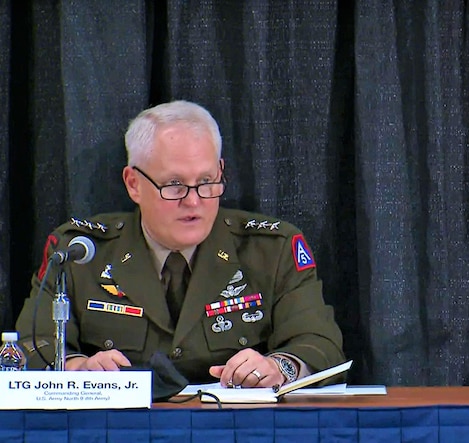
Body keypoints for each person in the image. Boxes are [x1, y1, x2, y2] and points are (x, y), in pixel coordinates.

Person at [16, 100, 345, 389]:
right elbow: (33, 345)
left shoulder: (271, 250)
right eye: (174, 185)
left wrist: (280, 368)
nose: (193, 202)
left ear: (220, 172)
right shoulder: (80, 252)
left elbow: (321, 345)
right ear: (133, 184)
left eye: (206, 182)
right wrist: (77, 369)